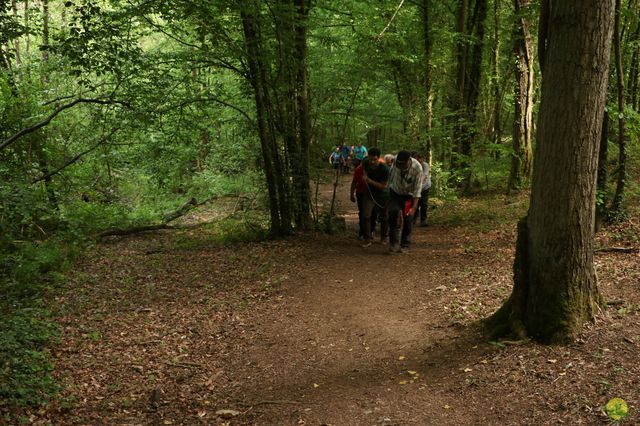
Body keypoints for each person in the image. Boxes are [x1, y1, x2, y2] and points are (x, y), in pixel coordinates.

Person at [387, 150, 423, 253]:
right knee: (392, 213)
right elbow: (390, 176)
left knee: (408, 218)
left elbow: (417, 189)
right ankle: (393, 243)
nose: (400, 166)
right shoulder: (395, 161)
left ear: (408, 161)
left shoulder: (417, 168)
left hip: (409, 197)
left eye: (402, 164)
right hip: (395, 193)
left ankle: (405, 244)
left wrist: (414, 207)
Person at [359, 147, 389, 248]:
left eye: (374, 159)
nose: (372, 161)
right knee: (366, 216)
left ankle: (384, 237)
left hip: (383, 195)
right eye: (370, 159)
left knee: (384, 216)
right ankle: (367, 239)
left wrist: (369, 180)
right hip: (369, 194)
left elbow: (382, 186)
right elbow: (364, 171)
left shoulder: (384, 168)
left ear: (378, 158)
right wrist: (365, 176)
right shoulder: (366, 163)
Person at [413, 152, 431, 227]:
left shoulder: (425, 165)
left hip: (425, 187)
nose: (419, 160)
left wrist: (419, 183)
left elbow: (425, 176)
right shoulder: (413, 165)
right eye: (418, 158)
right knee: (415, 204)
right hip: (415, 188)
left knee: (424, 204)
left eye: (421, 158)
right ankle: (413, 220)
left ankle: (423, 220)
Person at [350, 162, 367, 240]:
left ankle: (371, 230)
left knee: (373, 213)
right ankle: (362, 232)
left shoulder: (376, 168)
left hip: (373, 194)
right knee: (362, 212)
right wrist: (351, 194)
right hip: (361, 193)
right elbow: (354, 182)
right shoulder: (358, 169)